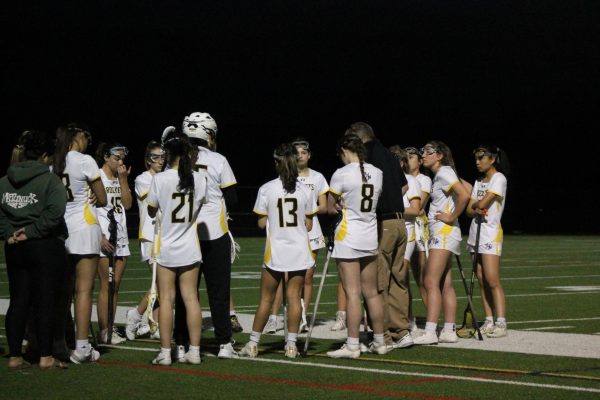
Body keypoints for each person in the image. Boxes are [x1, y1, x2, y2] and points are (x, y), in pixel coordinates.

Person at [239, 143, 317, 359]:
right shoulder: (304, 190)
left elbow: (262, 224)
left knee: (266, 299)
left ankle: (253, 343)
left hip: (275, 251)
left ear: (276, 163)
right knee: (294, 298)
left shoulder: (266, 188)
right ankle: (291, 346)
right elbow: (309, 225)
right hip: (299, 250)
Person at [1, 130, 68, 369]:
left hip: (14, 247)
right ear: (44, 155)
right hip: (44, 246)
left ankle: (15, 356)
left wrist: (11, 233)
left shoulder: (5, 180)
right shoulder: (50, 180)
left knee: (18, 300)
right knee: (45, 300)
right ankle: (45, 356)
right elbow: (55, 213)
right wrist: (30, 231)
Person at [175, 112, 240, 359]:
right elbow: (232, 197)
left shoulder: (177, 158)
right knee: (219, 291)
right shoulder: (218, 159)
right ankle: (224, 343)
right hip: (214, 232)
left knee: (185, 293)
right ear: (209, 134)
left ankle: (181, 343)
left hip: (183, 233)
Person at [345, 122, 411, 350]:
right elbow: (404, 187)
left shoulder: (369, 156)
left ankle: (384, 336)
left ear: (358, 139)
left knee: (378, 282)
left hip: (383, 223)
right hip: (401, 222)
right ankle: (401, 331)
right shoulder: (390, 155)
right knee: (398, 280)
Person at [147, 129, 207, 366]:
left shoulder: (160, 179)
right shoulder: (199, 178)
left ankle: (165, 352)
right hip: (190, 246)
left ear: (168, 153)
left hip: (168, 247)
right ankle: (194, 351)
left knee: (167, 300)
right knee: (191, 299)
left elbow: (152, 209)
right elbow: (199, 207)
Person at [326, 134, 385, 359]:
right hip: (369, 235)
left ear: (344, 150)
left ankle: (352, 344)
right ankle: (379, 341)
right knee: (371, 292)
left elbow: (331, 208)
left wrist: (340, 204)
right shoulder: (377, 172)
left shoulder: (341, 173)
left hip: (349, 235)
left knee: (352, 293)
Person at [53, 123, 107, 363]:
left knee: (62, 291)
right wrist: (95, 194)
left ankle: (57, 340)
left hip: (62, 230)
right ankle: (82, 346)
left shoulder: (53, 162)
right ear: (77, 137)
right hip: (85, 228)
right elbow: (103, 198)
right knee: (84, 290)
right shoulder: (84, 161)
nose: (88, 142)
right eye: (86, 137)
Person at [263, 138, 329, 334]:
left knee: (306, 277)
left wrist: (305, 211)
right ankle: (274, 317)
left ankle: (301, 316)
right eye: (296, 152)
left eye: (303, 152)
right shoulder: (283, 178)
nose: (300, 155)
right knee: (281, 274)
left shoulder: (317, 177)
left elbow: (324, 206)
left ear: (309, 155)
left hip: (310, 229)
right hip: (287, 230)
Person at [413, 140, 470, 345]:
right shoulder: (441, 174)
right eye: (423, 151)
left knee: (430, 281)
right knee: (445, 283)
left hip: (444, 232)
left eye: (428, 151)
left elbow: (464, 195)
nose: (424, 155)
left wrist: (452, 215)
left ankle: (430, 331)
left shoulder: (444, 172)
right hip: (445, 233)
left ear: (440, 155)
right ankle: (448, 330)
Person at [466, 144, 510, 338]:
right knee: (482, 280)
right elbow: (469, 211)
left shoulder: (499, 178)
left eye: (481, 158)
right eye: (476, 159)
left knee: (492, 280)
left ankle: (501, 323)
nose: (477, 162)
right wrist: (476, 206)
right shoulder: (478, 181)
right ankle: (489, 320)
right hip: (475, 232)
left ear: (492, 159)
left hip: (491, 233)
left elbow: (482, 203)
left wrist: (476, 205)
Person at [94, 142, 132, 345]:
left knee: (115, 286)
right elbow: (90, 208)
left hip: (122, 237)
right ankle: (103, 329)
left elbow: (127, 204)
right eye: (116, 158)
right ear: (106, 157)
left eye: (122, 158)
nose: (120, 161)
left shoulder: (120, 177)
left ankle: (110, 327)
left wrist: (124, 179)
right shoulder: (96, 177)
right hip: (105, 237)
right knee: (105, 285)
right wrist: (99, 236)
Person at [126, 141, 165, 340]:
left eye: (162, 157)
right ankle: (136, 315)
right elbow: (155, 201)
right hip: (150, 236)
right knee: (159, 283)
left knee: (160, 284)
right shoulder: (143, 179)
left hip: (164, 235)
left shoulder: (164, 178)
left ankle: (154, 325)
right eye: (155, 157)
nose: (160, 161)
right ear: (148, 160)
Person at [389, 146, 423, 337]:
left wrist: (392, 208)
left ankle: (409, 320)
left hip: (407, 232)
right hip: (388, 231)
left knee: (400, 276)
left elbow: (416, 209)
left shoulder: (410, 180)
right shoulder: (386, 179)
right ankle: (393, 319)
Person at [406, 146, 432, 333]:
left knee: (423, 278)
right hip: (406, 228)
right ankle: (409, 318)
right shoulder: (401, 177)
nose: (408, 158)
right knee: (403, 277)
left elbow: (420, 204)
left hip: (419, 230)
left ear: (420, 161)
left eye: (412, 156)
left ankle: (432, 319)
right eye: (406, 156)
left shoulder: (424, 179)